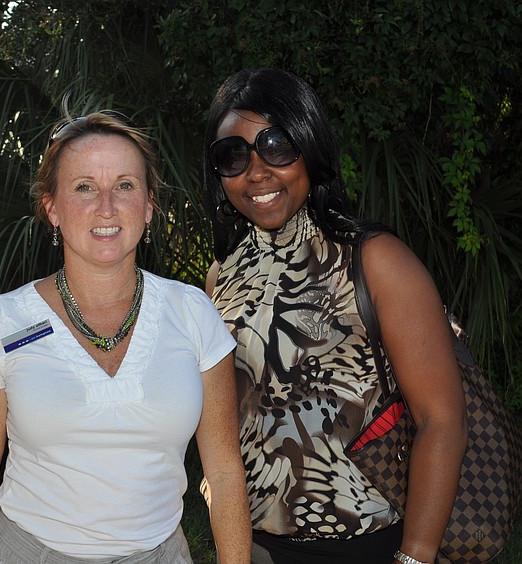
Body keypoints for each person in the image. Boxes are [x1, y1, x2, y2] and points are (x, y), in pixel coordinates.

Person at [0, 111, 252, 563]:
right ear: (52, 207)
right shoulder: (0, 322)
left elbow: (225, 473)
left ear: (148, 205)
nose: (106, 206)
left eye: (125, 185)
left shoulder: (192, 313)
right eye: (84, 187)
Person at [201, 67, 468, 564]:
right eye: (232, 156)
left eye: (277, 146)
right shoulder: (221, 277)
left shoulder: (376, 260)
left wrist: (415, 557)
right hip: (257, 546)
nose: (256, 172)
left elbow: (442, 419)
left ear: (310, 149)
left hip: (369, 545)